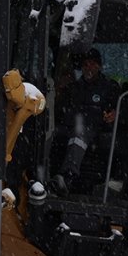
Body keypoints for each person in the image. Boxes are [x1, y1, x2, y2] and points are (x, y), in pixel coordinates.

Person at [53, 48, 122, 194]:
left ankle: (68, 176)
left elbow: (117, 110)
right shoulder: (73, 88)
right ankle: (43, 174)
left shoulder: (109, 88)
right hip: (70, 126)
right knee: (49, 132)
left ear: (99, 66)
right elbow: (60, 110)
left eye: (92, 64)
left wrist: (114, 114)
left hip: (95, 129)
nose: (88, 67)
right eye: (85, 64)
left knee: (79, 135)